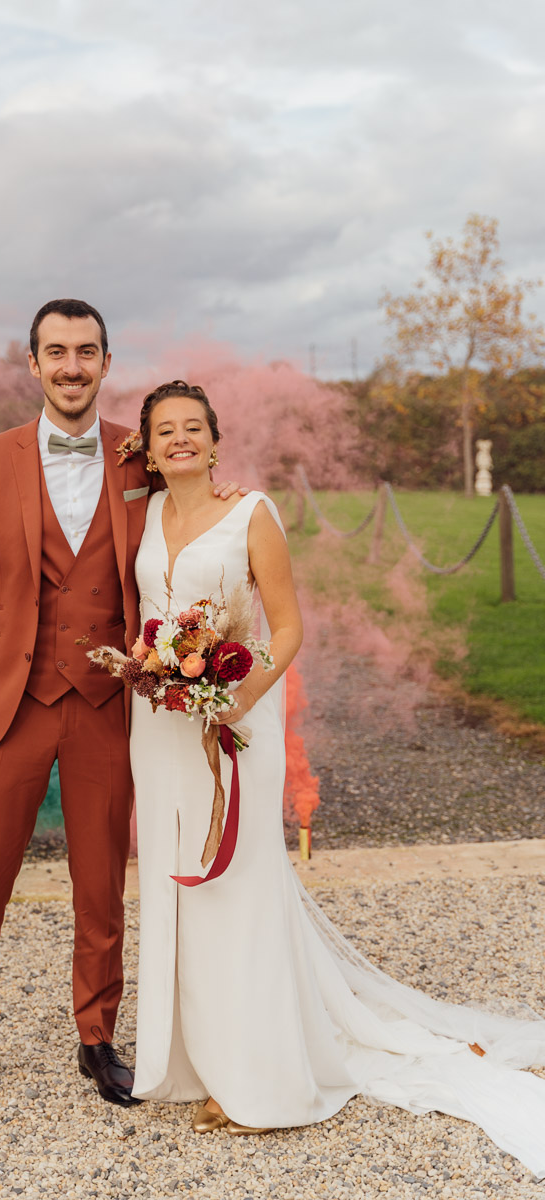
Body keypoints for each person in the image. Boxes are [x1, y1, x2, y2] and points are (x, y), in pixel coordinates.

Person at [128, 380, 545, 1178]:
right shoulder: (146, 516)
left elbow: (286, 627)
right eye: (163, 430)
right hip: (161, 727)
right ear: (149, 447)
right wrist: (158, 675)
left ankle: (260, 1081)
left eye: (192, 428)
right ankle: (191, 1062)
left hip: (234, 721)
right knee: (178, 887)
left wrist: (234, 698)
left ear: (215, 440)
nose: (178, 440)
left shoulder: (253, 513)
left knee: (237, 887)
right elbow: (147, 619)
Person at [0, 302, 242, 1121]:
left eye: (86, 351)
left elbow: (198, 499)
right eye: (56, 351)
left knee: (100, 885)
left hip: (107, 705)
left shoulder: (137, 460)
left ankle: (97, 1039)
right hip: (11, 702)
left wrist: (219, 490)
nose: (71, 365)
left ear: (106, 362)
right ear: (33, 364)